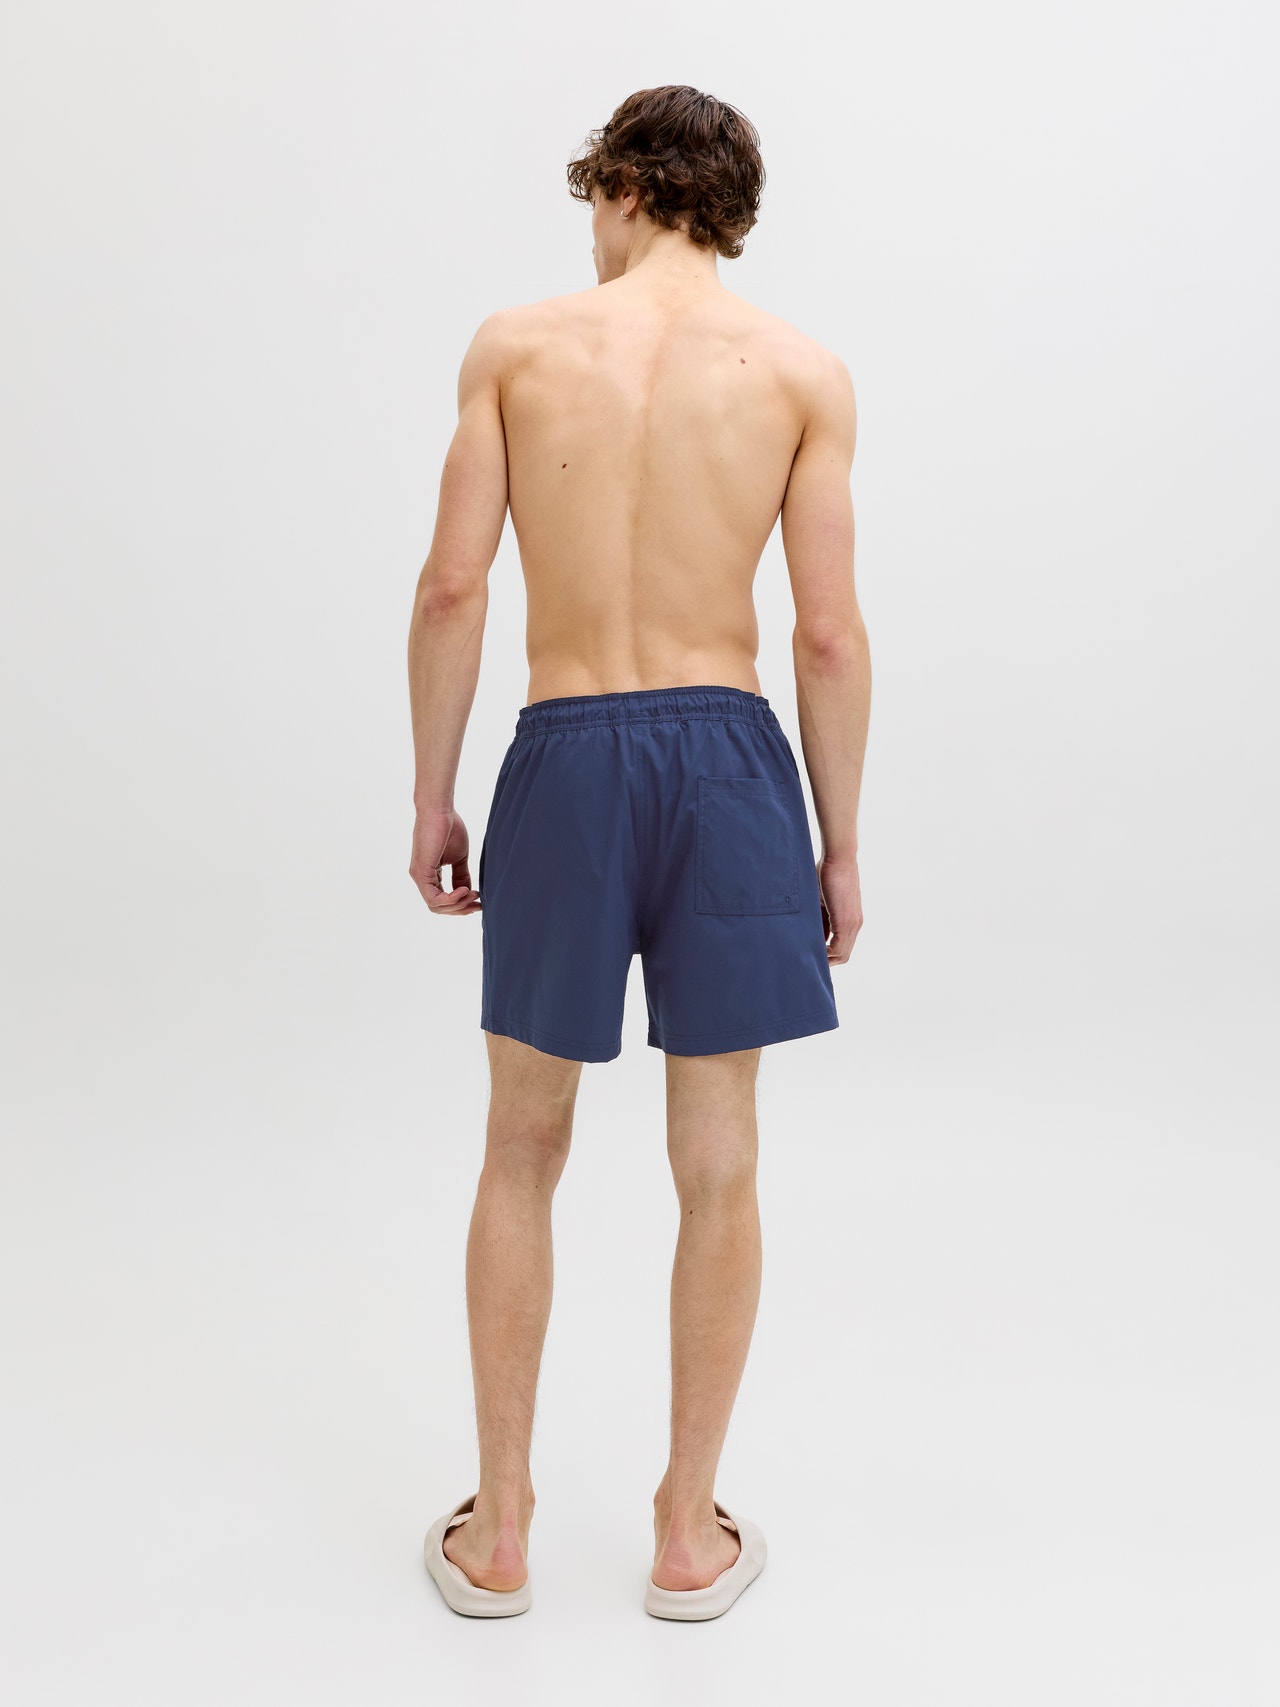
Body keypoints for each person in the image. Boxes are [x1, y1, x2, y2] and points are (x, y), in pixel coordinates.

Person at [409, 85, 871, 1621]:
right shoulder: (800, 371)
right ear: (724, 209)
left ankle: (501, 1533)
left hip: (565, 754)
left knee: (520, 1146)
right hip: (731, 767)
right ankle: (685, 1535)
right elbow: (824, 632)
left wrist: (433, 794)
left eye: (592, 207)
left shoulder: (516, 347)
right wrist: (840, 841)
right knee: (719, 1159)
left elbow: (454, 590)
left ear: (618, 187)